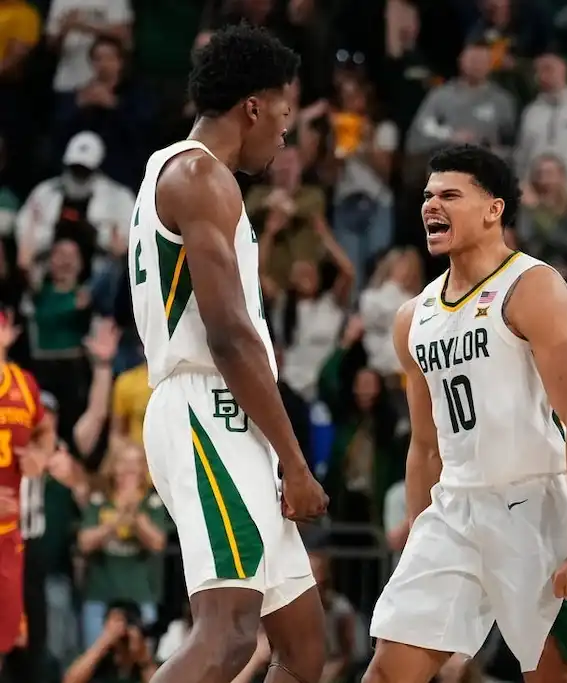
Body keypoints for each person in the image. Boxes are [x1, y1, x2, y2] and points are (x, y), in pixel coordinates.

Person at [127, 24, 329, 683]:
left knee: (302, 651)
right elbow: (230, 337)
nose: (284, 131)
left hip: (230, 415)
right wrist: (296, 463)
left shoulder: (183, 173)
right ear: (254, 106)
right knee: (229, 635)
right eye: (284, 114)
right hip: (206, 408)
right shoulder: (199, 175)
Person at [363, 144, 567, 683]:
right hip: (454, 509)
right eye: (427, 196)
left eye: (449, 195)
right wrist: (420, 530)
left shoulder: (532, 286)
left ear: (493, 210)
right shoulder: (413, 317)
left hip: (534, 507)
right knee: (386, 670)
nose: (431, 206)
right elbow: (424, 444)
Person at [0, 310, 54, 677]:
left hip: (9, 533)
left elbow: (45, 429)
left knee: (8, 641)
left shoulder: (24, 383)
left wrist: (40, 454)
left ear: (10, 333)